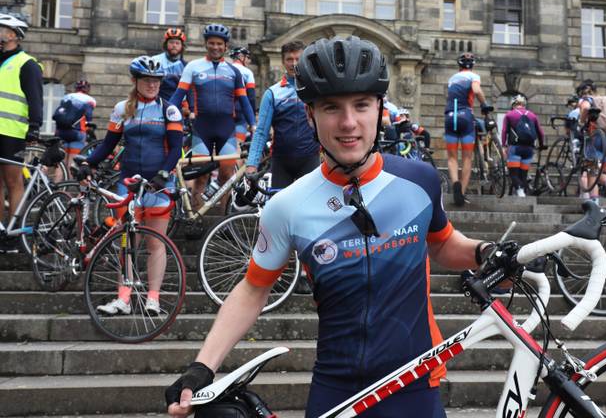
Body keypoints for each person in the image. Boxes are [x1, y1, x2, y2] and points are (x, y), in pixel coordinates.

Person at [166, 36, 494, 418]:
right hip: (337, 389)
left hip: (416, 383)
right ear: (310, 116)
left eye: (361, 105)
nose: (349, 122)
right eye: (331, 107)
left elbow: (442, 244)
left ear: (380, 109)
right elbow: (254, 287)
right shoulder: (287, 205)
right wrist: (202, 366)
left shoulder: (418, 180)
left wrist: (484, 253)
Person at [80, 56, 183, 315]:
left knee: (155, 243)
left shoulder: (169, 110)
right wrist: (88, 163)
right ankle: (123, 298)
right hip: (128, 184)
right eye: (147, 80)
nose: (152, 85)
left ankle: (153, 298)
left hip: (158, 185)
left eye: (156, 81)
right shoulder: (122, 109)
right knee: (127, 241)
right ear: (134, 81)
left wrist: (163, 174)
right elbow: (107, 144)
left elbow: (176, 149)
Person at [170, 24, 255, 207]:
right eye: (211, 43)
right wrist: (165, 117)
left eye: (219, 44)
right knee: (201, 176)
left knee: (227, 176)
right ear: (206, 44)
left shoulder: (234, 71)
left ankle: (223, 219)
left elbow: (244, 101)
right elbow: (177, 97)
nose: (215, 47)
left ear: (226, 46)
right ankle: (196, 218)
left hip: (226, 129)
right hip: (202, 129)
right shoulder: (193, 67)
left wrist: (253, 125)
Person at [245, 40, 320, 189]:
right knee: (279, 209)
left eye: (298, 59)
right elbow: (261, 132)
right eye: (289, 59)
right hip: (281, 161)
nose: (294, 63)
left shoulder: (316, 89)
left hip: (310, 159)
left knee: (309, 209)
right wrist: (252, 164)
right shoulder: (272, 93)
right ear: (283, 62)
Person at [0, 14, 42, 252]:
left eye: (2, 28)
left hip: (12, 132)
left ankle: (14, 231)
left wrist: (34, 127)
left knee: (13, 181)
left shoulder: (27, 64)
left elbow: (35, 99)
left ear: (13, 34)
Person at [444, 52, 493, 206]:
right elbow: (476, 90)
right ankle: (462, 193)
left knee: (452, 158)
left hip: (450, 117)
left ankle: (455, 184)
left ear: (459, 65)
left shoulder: (452, 79)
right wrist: (484, 105)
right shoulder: (473, 76)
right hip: (466, 116)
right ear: (472, 65)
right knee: (467, 158)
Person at [574, 80, 606, 205]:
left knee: (592, 173)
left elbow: (585, 108)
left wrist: (581, 122)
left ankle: (594, 203)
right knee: (599, 172)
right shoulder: (605, 99)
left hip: (597, 141)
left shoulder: (587, 99)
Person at [501, 94, 545, 197]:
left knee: (513, 174)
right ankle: (522, 192)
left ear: (513, 104)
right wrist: (541, 145)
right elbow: (541, 133)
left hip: (515, 148)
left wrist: (504, 146)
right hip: (529, 149)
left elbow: (504, 131)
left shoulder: (509, 115)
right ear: (524, 104)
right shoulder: (533, 115)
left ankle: (520, 190)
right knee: (523, 174)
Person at [53, 79, 96, 182]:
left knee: (61, 164)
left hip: (61, 132)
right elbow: (88, 121)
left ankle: (54, 191)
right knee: (71, 164)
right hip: (76, 133)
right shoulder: (90, 100)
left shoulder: (66, 97)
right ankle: (67, 191)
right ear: (88, 89)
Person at [229, 46, 257, 145]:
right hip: (241, 114)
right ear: (241, 56)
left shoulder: (226, 68)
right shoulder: (247, 72)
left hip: (225, 112)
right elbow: (251, 97)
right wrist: (252, 119)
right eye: (248, 57)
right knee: (237, 146)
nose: (249, 61)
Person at [152, 28, 187, 103]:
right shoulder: (155, 60)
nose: (174, 45)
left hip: (178, 104)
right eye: (171, 42)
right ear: (166, 44)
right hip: (158, 101)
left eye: (177, 43)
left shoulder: (185, 66)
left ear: (182, 46)